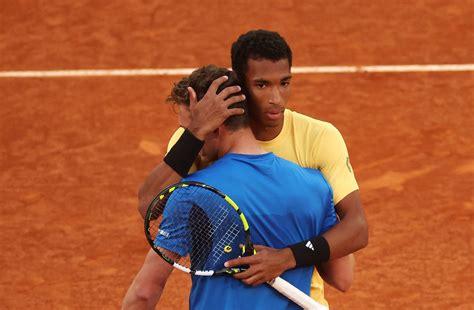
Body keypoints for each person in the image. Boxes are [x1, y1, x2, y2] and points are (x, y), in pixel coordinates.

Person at [125, 29, 367, 307]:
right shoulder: (195, 140)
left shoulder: (319, 138)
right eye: (262, 85)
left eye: (285, 83)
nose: (276, 98)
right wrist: (195, 133)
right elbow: (149, 208)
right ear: (239, 84)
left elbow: (356, 230)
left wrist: (286, 257)